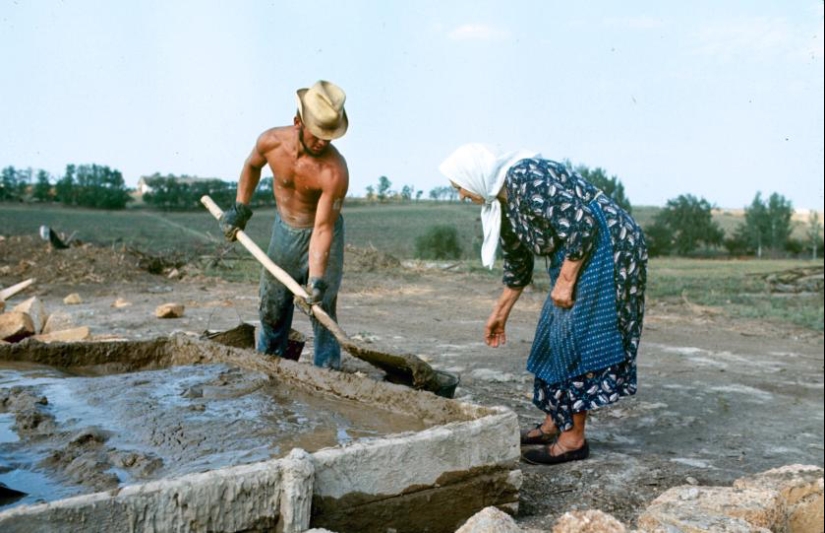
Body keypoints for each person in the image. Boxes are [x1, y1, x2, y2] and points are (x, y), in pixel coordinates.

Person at [439, 143, 647, 465]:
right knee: (552, 334)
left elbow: (582, 223)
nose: (462, 196)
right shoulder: (502, 203)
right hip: (580, 250)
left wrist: (565, 279)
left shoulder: (524, 177)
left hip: (608, 246)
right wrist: (499, 314)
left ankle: (573, 440)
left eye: (460, 187)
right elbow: (518, 265)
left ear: (474, 175)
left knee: (574, 337)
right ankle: (555, 423)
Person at [218, 80, 349, 369]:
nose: (323, 142)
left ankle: (327, 373)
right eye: (317, 134)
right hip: (284, 232)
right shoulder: (271, 142)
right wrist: (240, 207)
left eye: (329, 137)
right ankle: (269, 365)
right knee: (272, 305)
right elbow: (252, 166)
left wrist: (316, 280)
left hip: (321, 234)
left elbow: (323, 228)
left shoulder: (334, 172)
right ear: (297, 121)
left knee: (322, 307)